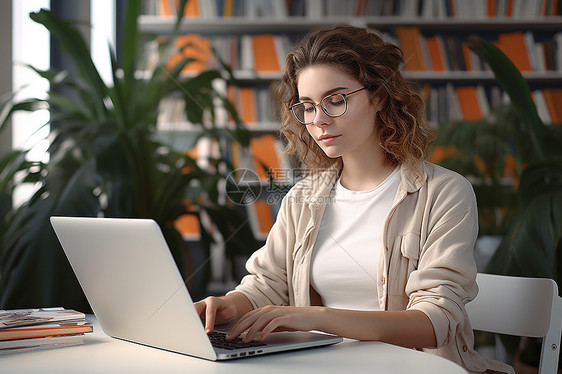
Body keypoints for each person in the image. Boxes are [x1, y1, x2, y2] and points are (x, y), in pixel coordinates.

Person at [194, 25, 513, 374]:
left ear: (379, 97)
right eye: (308, 107)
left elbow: (434, 322)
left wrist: (318, 318)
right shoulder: (303, 197)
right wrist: (228, 305)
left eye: (336, 100)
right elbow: (267, 284)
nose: (320, 121)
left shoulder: (444, 192)